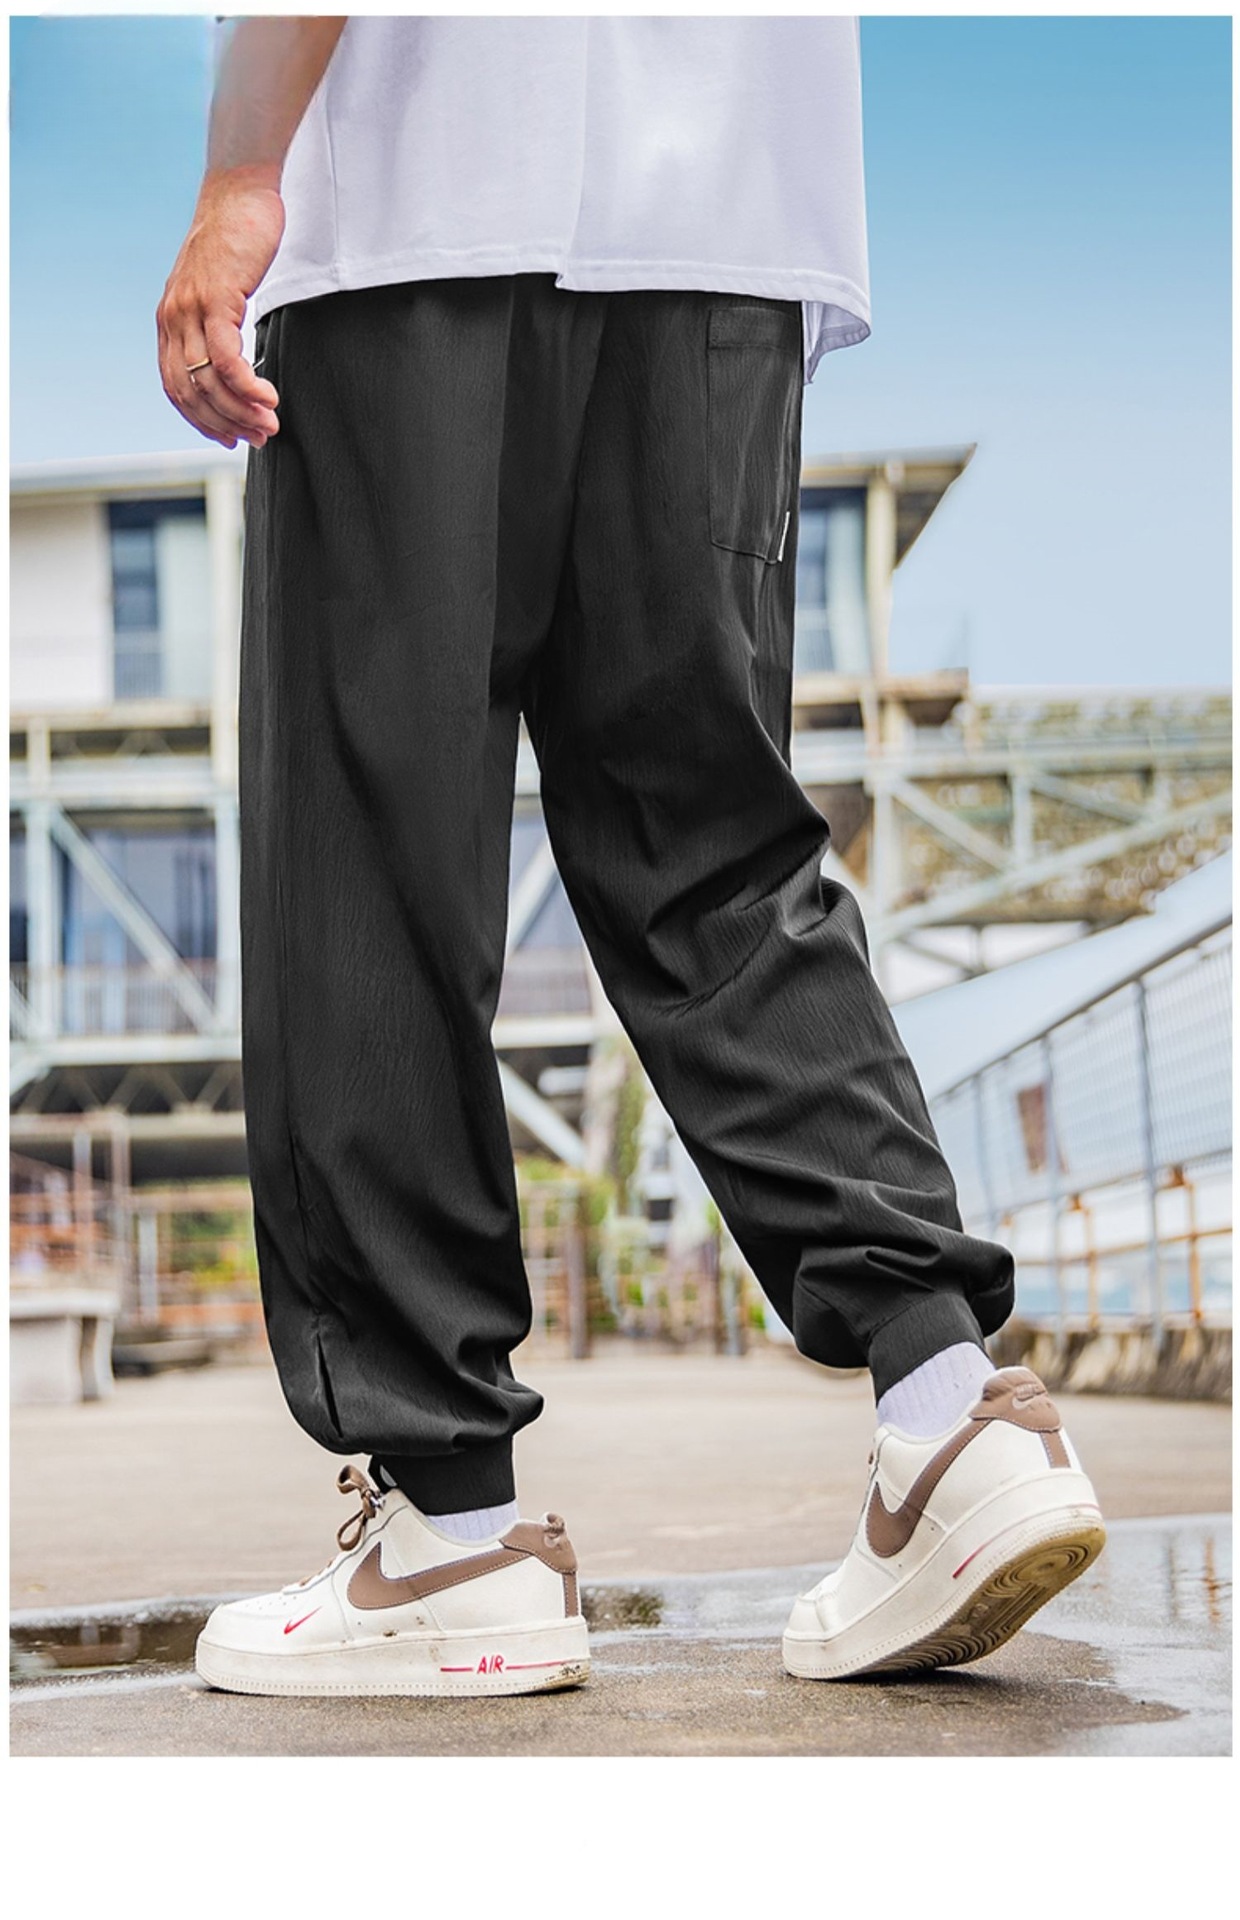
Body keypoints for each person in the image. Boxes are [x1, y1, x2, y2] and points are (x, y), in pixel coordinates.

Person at [157, 15, 1105, 1700]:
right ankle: (951, 1409)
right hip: (731, 229)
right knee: (716, 846)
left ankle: (451, 1534)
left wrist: (241, 176)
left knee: (372, 867)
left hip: (422, 216)